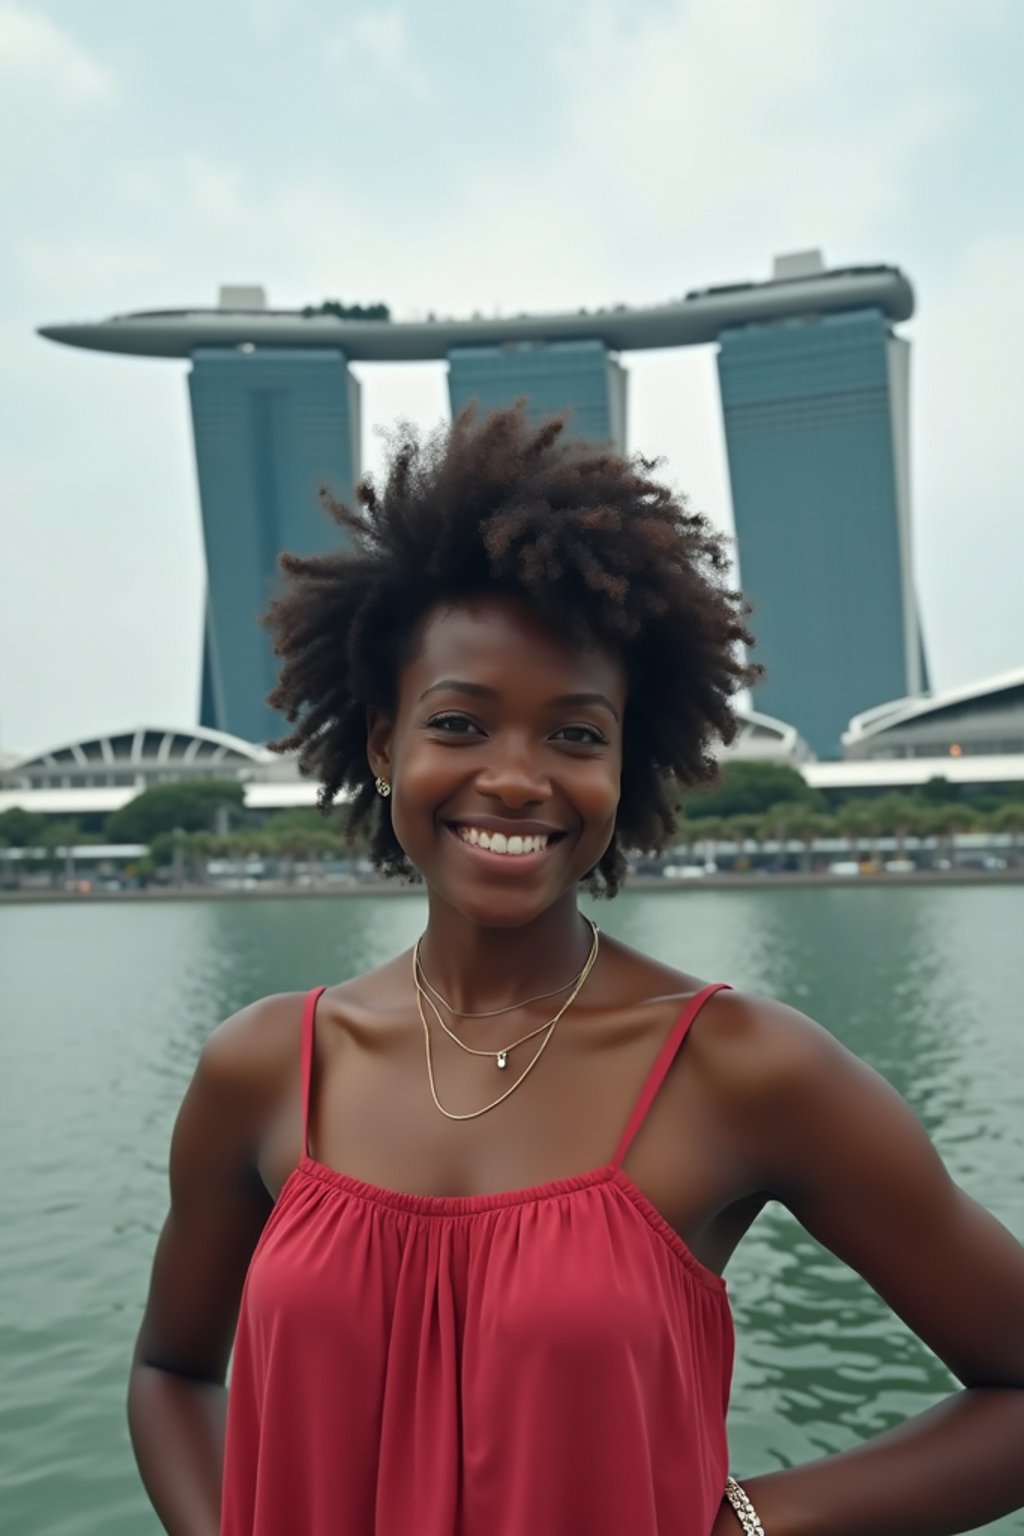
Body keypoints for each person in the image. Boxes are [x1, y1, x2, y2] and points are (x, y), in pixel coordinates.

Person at [128, 406, 1024, 1536]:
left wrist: (740, 1526)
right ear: (379, 744)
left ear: (627, 761)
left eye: (575, 734)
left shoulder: (743, 1069)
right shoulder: (262, 1066)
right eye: (458, 723)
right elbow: (171, 1370)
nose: (514, 778)